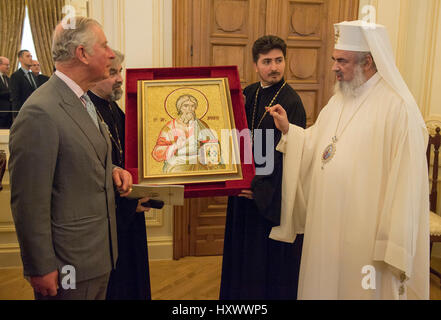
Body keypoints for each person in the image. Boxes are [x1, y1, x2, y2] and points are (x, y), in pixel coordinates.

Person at [268, 20, 429, 300]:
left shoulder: (398, 109)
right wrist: (289, 132)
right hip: (325, 227)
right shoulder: (340, 99)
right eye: (334, 59)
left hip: (365, 236)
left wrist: (395, 244)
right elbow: (318, 144)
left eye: (342, 61)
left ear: (367, 62)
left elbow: (408, 182)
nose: (334, 67)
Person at [9, 16, 133, 300]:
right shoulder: (41, 111)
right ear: (83, 54)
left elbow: (75, 153)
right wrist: (40, 267)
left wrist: (112, 169)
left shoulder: (83, 98)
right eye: (104, 46)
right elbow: (29, 201)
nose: (111, 54)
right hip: (68, 264)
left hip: (97, 255)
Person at [220, 35, 307, 300]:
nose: (274, 67)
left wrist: (260, 190)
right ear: (255, 65)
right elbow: (235, 138)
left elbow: (294, 158)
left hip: (271, 199)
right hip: (244, 193)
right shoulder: (247, 94)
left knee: (267, 268)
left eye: (279, 60)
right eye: (267, 61)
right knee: (242, 259)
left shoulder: (291, 102)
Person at [88, 49, 152, 300]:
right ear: (94, 75)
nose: (119, 79)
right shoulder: (86, 113)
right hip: (109, 221)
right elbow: (91, 174)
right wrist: (127, 205)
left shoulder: (116, 110)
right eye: (112, 73)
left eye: (120, 72)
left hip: (131, 211)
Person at [152, 94, 223, 173]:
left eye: (192, 106)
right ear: (180, 108)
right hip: (178, 163)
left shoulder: (201, 125)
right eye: (185, 106)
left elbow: (212, 143)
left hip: (199, 161)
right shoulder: (170, 127)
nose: (189, 109)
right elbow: (157, 151)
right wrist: (175, 146)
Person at [10, 50, 38, 118]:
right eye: (28, 56)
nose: (30, 58)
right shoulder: (16, 75)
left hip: (34, 112)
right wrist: (16, 115)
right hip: (23, 113)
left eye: (31, 56)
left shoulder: (32, 75)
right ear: (20, 59)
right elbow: (15, 97)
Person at [0, 56, 11, 129]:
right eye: (6, 65)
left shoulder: (8, 78)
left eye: (9, 65)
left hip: (9, 113)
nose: (8, 67)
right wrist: (10, 92)